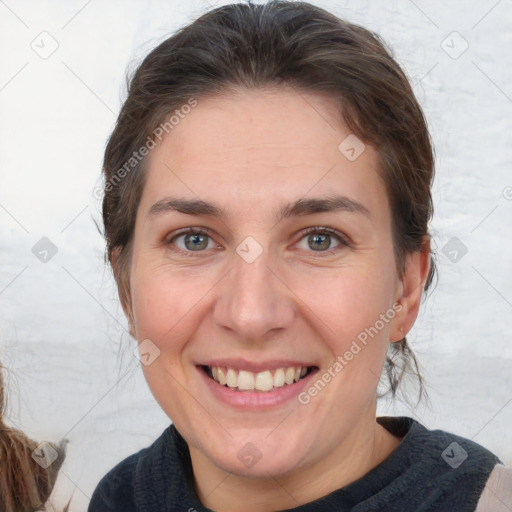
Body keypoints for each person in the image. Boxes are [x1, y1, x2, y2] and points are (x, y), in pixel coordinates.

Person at [88, 1, 512, 510]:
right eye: (194, 239)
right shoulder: (121, 498)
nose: (251, 314)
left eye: (320, 239)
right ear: (125, 287)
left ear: (405, 287)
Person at [0, 361, 69, 511]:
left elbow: (50, 458)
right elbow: (50, 458)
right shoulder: (19, 449)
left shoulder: (18, 449)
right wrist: (59, 450)